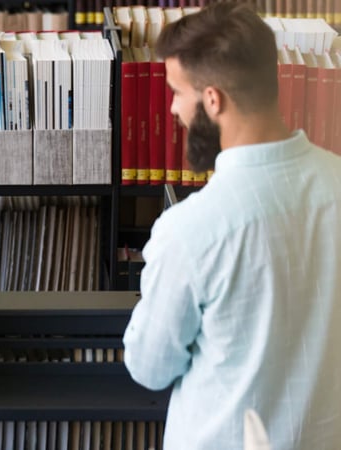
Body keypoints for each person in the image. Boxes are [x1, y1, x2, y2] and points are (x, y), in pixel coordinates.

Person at [122, 3, 341, 448]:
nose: (172, 109)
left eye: (176, 92)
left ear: (212, 100)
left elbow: (150, 367)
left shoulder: (190, 229)